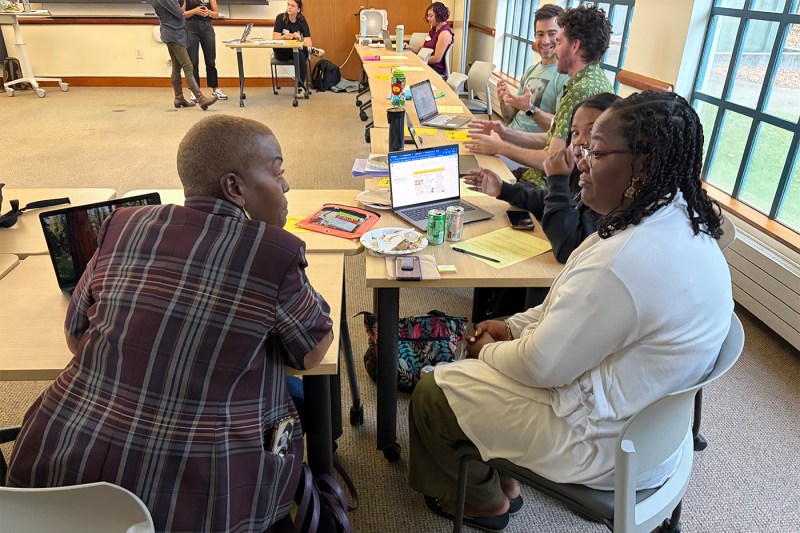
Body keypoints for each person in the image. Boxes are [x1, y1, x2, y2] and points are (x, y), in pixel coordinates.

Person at [408, 91, 733, 531]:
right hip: (653, 436)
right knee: (495, 365)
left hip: (606, 446)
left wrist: (486, 350)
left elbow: (543, 366)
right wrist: (510, 325)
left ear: (644, 164)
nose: (578, 160)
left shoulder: (625, 261)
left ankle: (486, 501)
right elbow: (568, 307)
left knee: (436, 389)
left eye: (594, 151)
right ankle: (505, 481)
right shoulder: (677, 220)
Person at [7, 115, 334, 533]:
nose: (285, 185)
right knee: (293, 393)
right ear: (235, 188)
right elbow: (310, 352)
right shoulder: (275, 252)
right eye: (278, 170)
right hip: (194, 502)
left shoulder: (122, 223)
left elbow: (75, 336)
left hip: (47, 473)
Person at [465, 5, 613, 188]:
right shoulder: (593, 80)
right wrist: (505, 133)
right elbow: (555, 138)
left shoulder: (580, 91)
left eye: (559, 42)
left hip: (548, 187)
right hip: (546, 179)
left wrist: (500, 147)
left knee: (476, 174)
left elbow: (553, 159)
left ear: (575, 46)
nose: (555, 50)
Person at [465, 92, 619, 264]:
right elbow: (547, 200)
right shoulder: (583, 171)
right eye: (575, 133)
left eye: (591, 132)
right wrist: (503, 189)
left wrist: (558, 180)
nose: (579, 141)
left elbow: (567, 248)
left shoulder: (609, 191)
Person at [497, 4, 569, 136]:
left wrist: (530, 109)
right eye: (540, 34)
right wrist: (503, 100)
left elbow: (560, 130)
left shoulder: (566, 77)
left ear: (562, 35)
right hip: (508, 136)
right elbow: (508, 117)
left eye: (552, 34)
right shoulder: (531, 70)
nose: (545, 41)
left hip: (526, 148)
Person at [151, 0, 217, 110]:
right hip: (174, 34)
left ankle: (179, 98)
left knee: (176, 66)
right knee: (188, 65)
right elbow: (179, 13)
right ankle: (201, 99)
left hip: (170, 32)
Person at [273, 0, 325, 96]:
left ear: (298, 9)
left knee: (300, 54)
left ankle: (300, 87)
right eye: (288, 5)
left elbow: (309, 42)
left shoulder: (302, 21)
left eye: (293, 6)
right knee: (302, 50)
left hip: (295, 52)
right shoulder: (280, 18)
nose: (289, 7)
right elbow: (275, 39)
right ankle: (310, 51)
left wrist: (300, 39)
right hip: (281, 51)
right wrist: (284, 37)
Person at [183, 0, 227, 102]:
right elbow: (182, 14)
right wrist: (194, 11)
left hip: (207, 27)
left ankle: (215, 89)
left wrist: (209, 13)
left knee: (211, 60)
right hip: (190, 27)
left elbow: (216, 14)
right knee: (193, 62)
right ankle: (195, 91)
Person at [405, 2, 454, 77]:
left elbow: (436, 59)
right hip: (425, 63)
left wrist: (419, 60)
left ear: (439, 15)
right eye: (428, 16)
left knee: (409, 71)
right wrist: (409, 47)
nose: (428, 19)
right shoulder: (433, 30)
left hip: (435, 67)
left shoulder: (444, 33)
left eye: (431, 16)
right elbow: (420, 48)